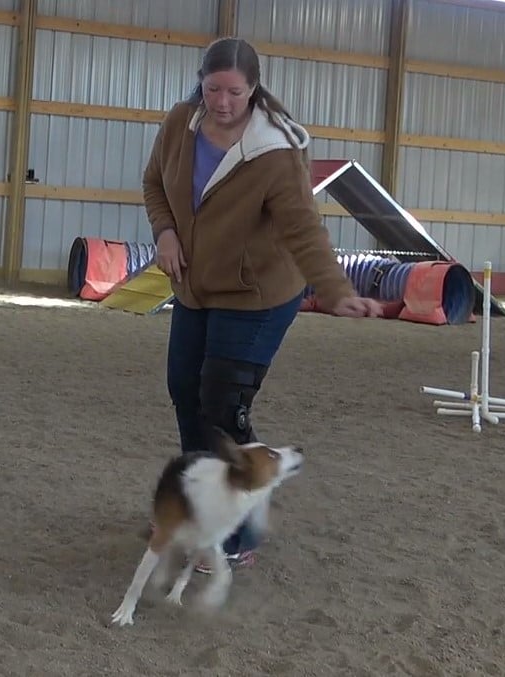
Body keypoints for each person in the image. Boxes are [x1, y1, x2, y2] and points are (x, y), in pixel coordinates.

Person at [142, 37, 383, 571]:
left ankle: (240, 532)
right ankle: (199, 508)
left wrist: (338, 290)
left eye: (234, 92)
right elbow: (154, 183)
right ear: (199, 83)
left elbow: (303, 228)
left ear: (253, 89)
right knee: (185, 390)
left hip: (258, 294)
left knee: (222, 405)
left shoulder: (275, 149)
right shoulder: (180, 123)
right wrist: (164, 232)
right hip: (194, 284)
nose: (222, 102)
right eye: (212, 90)